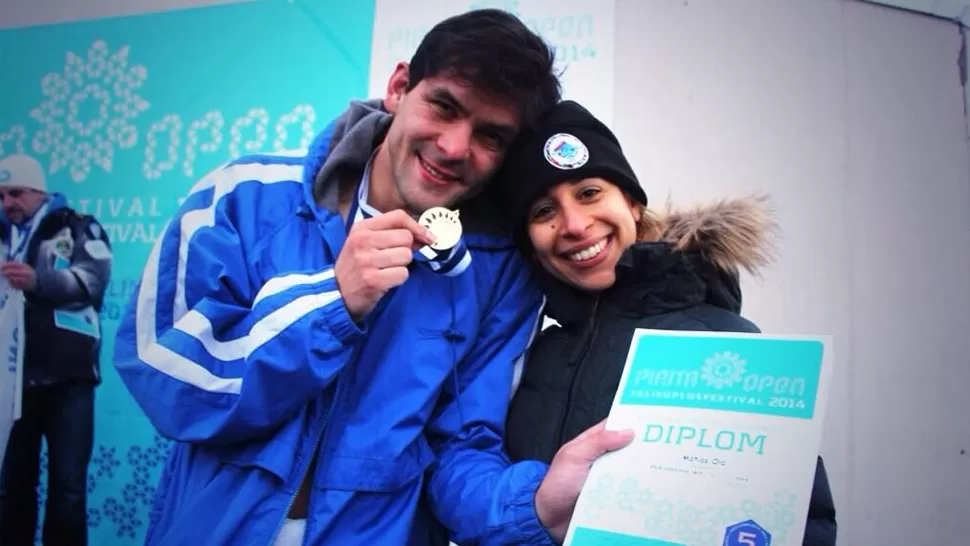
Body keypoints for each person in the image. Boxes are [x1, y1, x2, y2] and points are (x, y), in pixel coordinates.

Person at [113, 9, 632, 546]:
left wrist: (534, 505)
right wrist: (332, 301)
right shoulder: (245, 194)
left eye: (490, 136)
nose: (454, 147)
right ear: (399, 86)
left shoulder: (498, 269)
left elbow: (462, 448)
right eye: (444, 106)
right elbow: (165, 377)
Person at [499, 100, 839, 545]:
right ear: (530, 242)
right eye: (544, 211)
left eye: (589, 193)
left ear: (633, 203)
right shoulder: (533, 359)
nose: (575, 225)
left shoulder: (726, 344)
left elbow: (804, 525)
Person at [0, 153, 112, 546]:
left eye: (15, 193)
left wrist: (37, 280)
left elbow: (93, 282)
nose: (7, 203)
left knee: (67, 488)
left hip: (69, 378)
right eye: (0, 196)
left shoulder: (79, 227)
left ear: (39, 192)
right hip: (12, 380)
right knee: (13, 483)